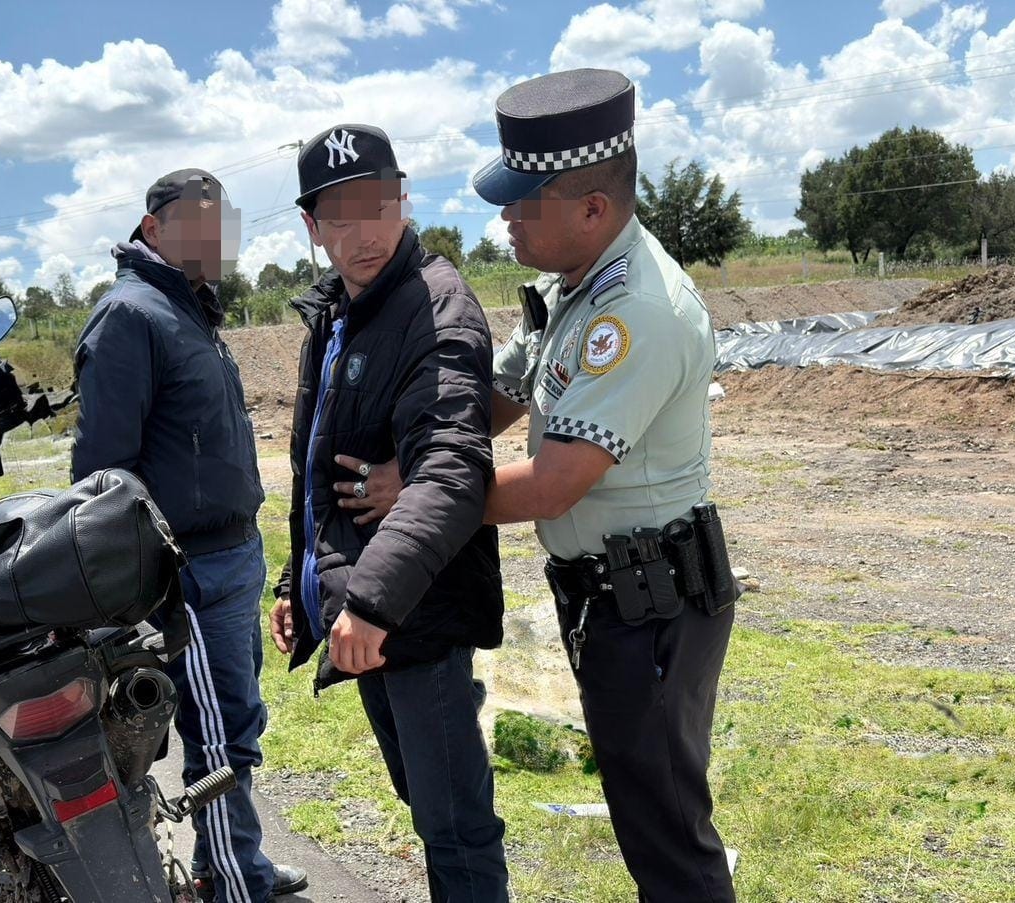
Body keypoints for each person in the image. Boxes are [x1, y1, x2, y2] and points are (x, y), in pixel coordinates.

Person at [333, 70, 742, 902]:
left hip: (654, 608)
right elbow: (503, 399)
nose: (505, 217)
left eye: (524, 203)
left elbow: (553, 484)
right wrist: (426, 437)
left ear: (592, 208)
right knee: (646, 814)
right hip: (616, 599)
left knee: (666, 832)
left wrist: (420, 493)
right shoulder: (571, 290)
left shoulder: (639, 312)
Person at [266, 124, 509, 902]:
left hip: (414, 609)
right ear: (311, 227)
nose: (360, 231)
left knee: (456, 825)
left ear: (404, 199)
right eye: (337, 215)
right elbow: (316, 461)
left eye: (376, 205)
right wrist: (294, 580)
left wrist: (370, 601)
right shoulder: (338, 311)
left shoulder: (435, 307)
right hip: (365, 610)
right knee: (426, 805)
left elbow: (450, 466)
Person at [71, 170, 306, 903]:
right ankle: (238, 885)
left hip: (232, 557)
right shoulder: (131, 316)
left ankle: (235, 863)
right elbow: (102, 474)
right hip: (188, 573)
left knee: (239, 718)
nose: (215, 233)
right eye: (196, 218)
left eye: (221, 218)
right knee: (220, 732)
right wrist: (141, 580)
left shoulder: (186, 309)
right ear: (153, 228)